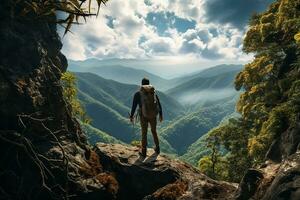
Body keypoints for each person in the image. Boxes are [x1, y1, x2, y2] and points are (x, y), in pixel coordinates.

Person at [129, 78, 163, 157]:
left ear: (141, 84)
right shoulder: (153, 93)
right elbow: (158, 104)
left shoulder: (138, 94)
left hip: (143, 115)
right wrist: (161, 115)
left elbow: (134, 106)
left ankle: (144, 151)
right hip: (153, 116)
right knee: (154, 131)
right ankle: (157, 149)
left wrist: (131, 116)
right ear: (149, 84)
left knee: (144, 133)